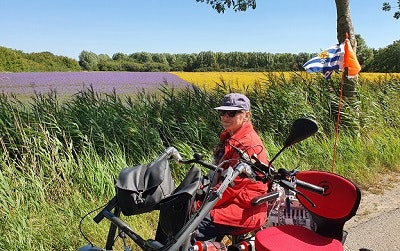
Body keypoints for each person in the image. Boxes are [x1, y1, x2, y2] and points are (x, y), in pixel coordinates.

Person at [195, 93, 270, 241]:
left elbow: (230, 186)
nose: (225, 117)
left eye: (232, 113)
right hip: (230, 200)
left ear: (246, 115)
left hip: (245, 209)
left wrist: (201, 205)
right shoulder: (231, 136)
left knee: (194, 225)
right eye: (222, 112)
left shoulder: (247, 144)